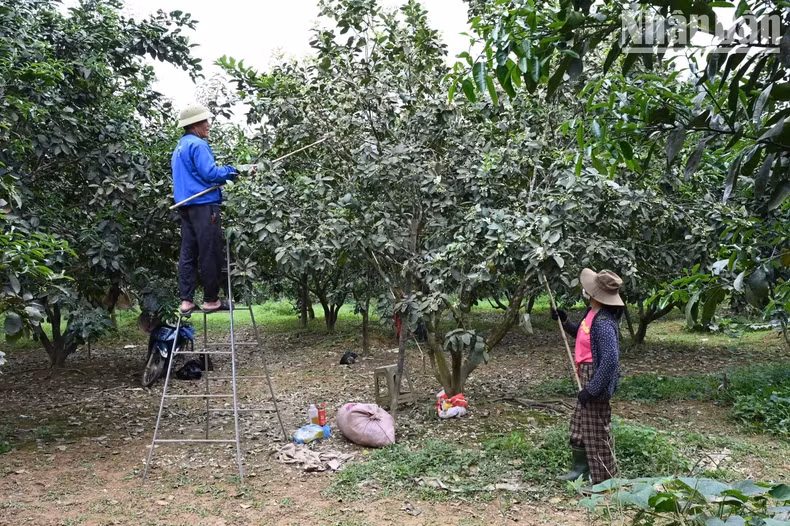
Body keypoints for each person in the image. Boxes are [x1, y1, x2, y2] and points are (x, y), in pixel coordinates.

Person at [551, 268, 624, 485]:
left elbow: (610, 361)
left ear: (595, 294)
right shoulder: (592, 313)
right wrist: (565, 321)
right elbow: (583, 335)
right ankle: (580, 471)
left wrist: (592, 390)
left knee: (595, 431)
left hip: (595, 378)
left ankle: (604, 480)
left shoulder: (603, 323)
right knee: (580, 426)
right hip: (585, 374)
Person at [171, 103, 239, 315]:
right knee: (210, 251)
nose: (208, 125)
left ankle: (186, 300)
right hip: (203, 205)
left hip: (186, 206)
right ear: (195, 124)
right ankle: (211, 300)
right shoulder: (198, 145)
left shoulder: (179, 147)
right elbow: (210, 174)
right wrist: (234, 171)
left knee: (188, 253)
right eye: (205, 121)